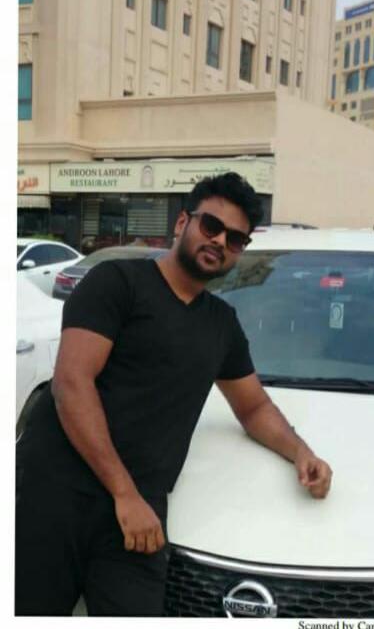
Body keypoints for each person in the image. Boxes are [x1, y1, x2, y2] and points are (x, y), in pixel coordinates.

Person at [15, 172, 332, 617]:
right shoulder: (117, 282)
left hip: (137, 512)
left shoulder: (221, 325)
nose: (220, 241)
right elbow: (72, 383)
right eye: (212, 226)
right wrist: (124, 493)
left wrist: (301, 454)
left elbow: (254, 407)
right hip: (56, 493)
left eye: (235, 239)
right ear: (183, 222)